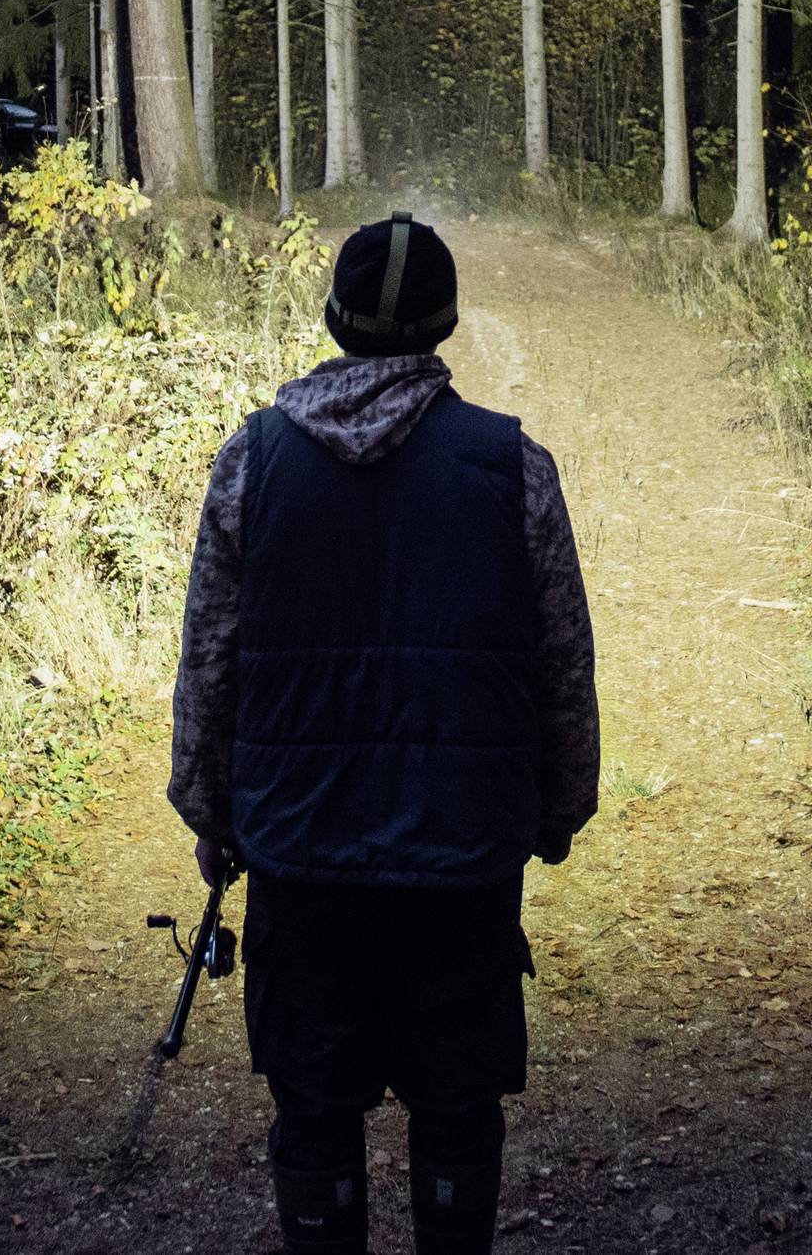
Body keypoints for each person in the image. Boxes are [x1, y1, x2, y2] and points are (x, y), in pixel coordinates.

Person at [170, 211, 601, 1255]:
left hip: (300, 857)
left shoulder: (251, 464)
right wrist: (555, 811)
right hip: (462, 860)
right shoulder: (515, 469)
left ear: (335, 320)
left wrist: (212, 813)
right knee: (458, 1104)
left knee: (313, 1104)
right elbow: (562, 664)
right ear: (447, 325)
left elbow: (211, 661)